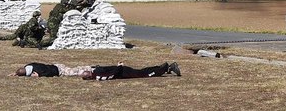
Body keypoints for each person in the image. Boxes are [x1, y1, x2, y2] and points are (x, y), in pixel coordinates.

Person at [14, 61, 181, 79]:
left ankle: (166, 67)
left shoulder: (98, 73)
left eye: (83, 73)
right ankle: (165, 68)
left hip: (123, 71)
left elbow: (111, 72)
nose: (83, 73)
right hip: (124, 73)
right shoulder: (98, 75)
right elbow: (111, 73)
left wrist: (119, 66)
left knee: (145, 72)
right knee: (145, 72)